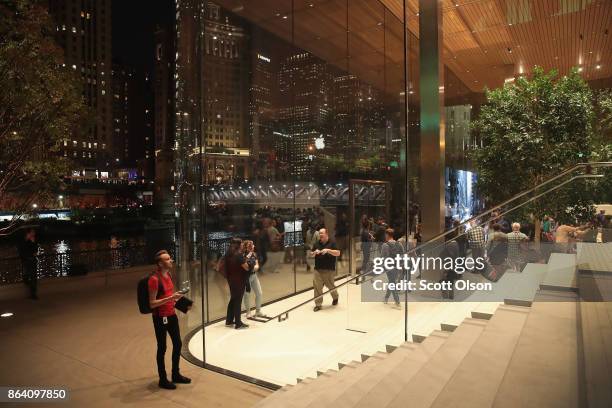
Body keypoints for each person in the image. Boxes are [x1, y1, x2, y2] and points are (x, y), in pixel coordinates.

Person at [148, 250, 191, 390]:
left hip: (171, 315)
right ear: (160, 263)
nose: (171, 260)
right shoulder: (154, 279)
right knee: (162, 348)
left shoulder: (169, 275)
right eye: (167, 259)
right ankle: (162, 379)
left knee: (178, 344)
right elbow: (152, 303)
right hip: (160, 318)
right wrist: (170, 298)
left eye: (170, 258)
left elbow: (168, 295)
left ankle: (175, 374)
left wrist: (176, 297)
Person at [310, 228, 340, 312]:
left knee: (330, 286)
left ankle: (335, 297)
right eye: (319, 233)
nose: (320, 235)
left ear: (327, 234)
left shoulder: (332, 243)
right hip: (318, 270)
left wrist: (328, 250)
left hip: (328, 270)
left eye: (322, 233)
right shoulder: (316, 243)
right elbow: (311, 254)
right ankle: (318, 304)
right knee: (317, 287)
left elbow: (338, 253)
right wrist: (314, 253)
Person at [224, 238, 250, 329]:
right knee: (237, 301)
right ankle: (238, 323)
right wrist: (250, 261)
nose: (243, 244)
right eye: (242, 243)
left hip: (231, 280)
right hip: (239, 281)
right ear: (239, 245)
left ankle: (229, 320)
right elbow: (246, 267)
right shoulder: (238, 255)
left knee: (233, 300)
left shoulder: (228, 254)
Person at [242, 240, 265, 318]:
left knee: (259, 293)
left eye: (252, 245)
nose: (252, 246)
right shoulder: (243, 255)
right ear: (246, 247)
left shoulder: (254, 254)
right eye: (250, 245)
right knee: (247, 294)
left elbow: (256, 263)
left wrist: (256, 266)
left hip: (254, 276)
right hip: (246, 277)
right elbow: (245, 264)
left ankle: (258, 311)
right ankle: (248, 312)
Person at [381, 228, 403, 306]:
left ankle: (397, 302)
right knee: (392, 282)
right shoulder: (399, 244)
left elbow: (384, 258)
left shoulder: (385, 245)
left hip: (389, 268)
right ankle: (386, 298)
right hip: (397, 267)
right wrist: (400, 265)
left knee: (392, 283)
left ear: (387, 235)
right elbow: (402, 256)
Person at [18, 228, 39, 300]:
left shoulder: (33, 240)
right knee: (25, 277)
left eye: (34, 232)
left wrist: (33, 243)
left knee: (33, 278)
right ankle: (29, 289)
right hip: (26, 261)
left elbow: (35, 251)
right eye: (32, 232)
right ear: (28, 233)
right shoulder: (22, 241)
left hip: (32, 261)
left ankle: (33, 294)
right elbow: (21, 251)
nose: (34, 234)